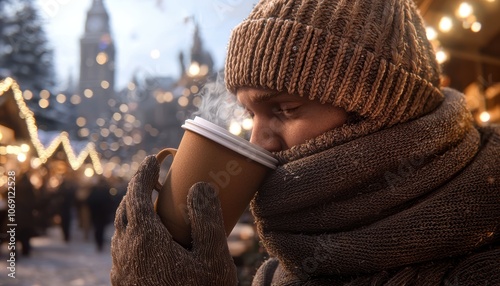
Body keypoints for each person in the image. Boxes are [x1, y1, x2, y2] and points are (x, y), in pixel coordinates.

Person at [110, 0, 500, 285]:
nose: (258, 141)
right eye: (250, 115)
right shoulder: (289, 259)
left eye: (285, 108)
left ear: (381, 107)